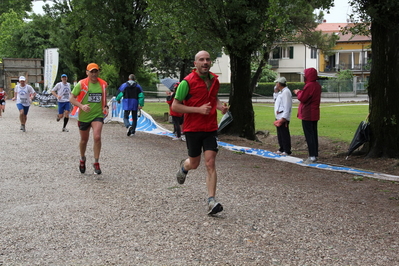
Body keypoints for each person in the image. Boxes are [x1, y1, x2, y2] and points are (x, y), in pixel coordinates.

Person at [172, 50, 229, 215]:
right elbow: (175, 106)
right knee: (194, 164)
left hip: (210, 127)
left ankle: (211, 201)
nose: (205, 62)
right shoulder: (186, 82)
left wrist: (220, 107)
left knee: (210, 163)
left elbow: (214, 99)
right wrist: (198, 109)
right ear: (195, 64)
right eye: (201, 60)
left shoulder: (214, 80)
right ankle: (184, 167)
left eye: (208, 59)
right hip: (193, 129)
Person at [70, 63, 109, 174]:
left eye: (95, 71)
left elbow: (104, 98)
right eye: (91, 71)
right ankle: (82, 158)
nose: (94, 74)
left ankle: (96, 163)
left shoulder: (103, 84)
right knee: (84, 140)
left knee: (97, 137)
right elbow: (71, 99)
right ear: (87, 73)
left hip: (97, 115)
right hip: (84, 116)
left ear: (98, 72)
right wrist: (82, 106)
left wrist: (105, 106)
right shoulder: (81, 84)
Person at [293, 67, 321, 164]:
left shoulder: (309, 86)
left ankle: (312, 156)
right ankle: (315, 154)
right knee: (313, 134)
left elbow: (303, 98)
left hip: (308, 113)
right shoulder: (317, 85)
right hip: (314, 113)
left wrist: (298, 92)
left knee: (309, 135)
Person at [273, 77, 292, 156]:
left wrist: (284, 118)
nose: (276, 85)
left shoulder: (286, 92)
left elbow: (287, 105)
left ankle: (287, 150)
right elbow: (276, 101)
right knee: (280, 134)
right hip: (278, 115)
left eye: (276, 83)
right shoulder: (281, 92)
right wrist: (276, 92)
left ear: (279, 84)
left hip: (283, 117)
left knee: (284, 133)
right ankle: (282, 148)